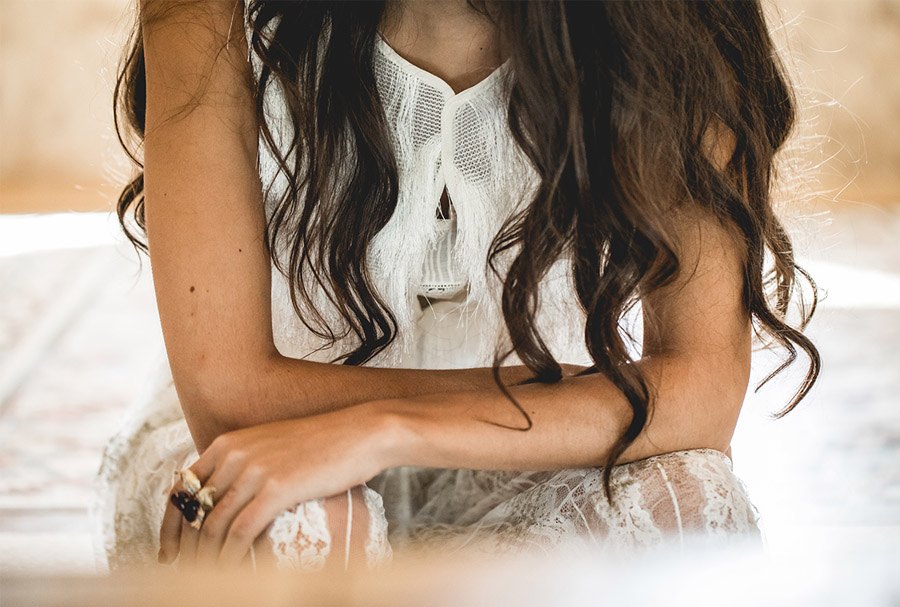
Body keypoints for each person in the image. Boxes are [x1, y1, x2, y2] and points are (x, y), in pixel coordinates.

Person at [94, 0, 820, 572]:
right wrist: (569, 395)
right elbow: (227, 394)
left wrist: (386, 430)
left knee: (686, 507)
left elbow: (701, 388)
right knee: (285, 528)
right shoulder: (204, 13)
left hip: (528, 449)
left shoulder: (671, 20)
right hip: (277, 436)